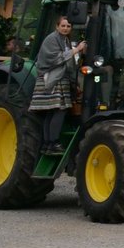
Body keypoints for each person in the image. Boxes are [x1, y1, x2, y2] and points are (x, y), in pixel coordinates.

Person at [32, 15, 85, 155]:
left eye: (68, 26)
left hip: (61, 79)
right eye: (63, 26)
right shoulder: (51, 39)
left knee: (52, 111)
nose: (66, 28)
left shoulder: (65, 40)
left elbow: (69, 63)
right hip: (52, 80)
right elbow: (54, 59)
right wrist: (76, 49)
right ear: (57, 26)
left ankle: (47, 144)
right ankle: (53, 142)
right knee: (59, 110)